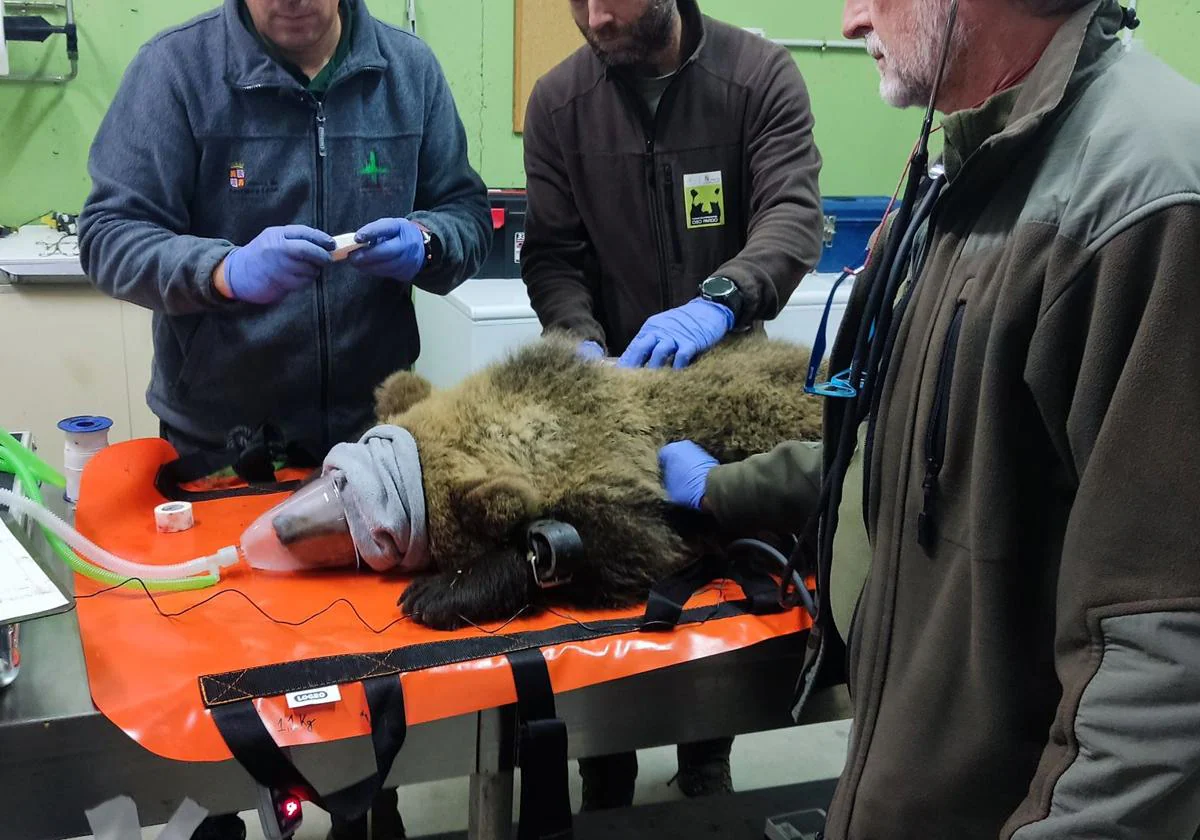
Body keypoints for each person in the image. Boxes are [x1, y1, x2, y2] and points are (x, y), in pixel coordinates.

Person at [660, 0, 1200, 838]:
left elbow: (1163, 666)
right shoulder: (976, 174)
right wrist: (724, 488)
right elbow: (908, 453)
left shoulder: (1148, 200)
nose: (848, 21)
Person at [78, 0, 491, 838]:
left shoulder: (407, 73)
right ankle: (231, 814)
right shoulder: (178, 72)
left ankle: (374, 812)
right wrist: (224, 270)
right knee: (232, 677)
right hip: (223, 448)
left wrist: (430, 240)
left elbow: (466, 213)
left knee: (373, 671)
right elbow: (108, 234)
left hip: (371, 450)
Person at [520, 0, 823, 810]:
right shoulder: (558, 102)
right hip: (615, 384)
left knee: (720, 571)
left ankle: (706, 753)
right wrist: (578, 341)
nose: (596, 14)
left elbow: (793, 216)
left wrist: (721, 299)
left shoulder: (758, 77)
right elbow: (551, 253)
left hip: (728, 381)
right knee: (615, 566)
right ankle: (603, 768)